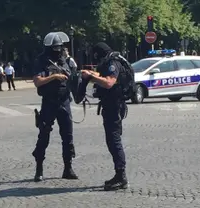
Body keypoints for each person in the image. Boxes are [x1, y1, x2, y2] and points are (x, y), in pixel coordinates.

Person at [81, 42, 130, 191]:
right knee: (112, 140)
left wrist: (92, 78)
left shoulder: (113, 62)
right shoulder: (111, 60)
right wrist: (90, 74)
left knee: (114, 140)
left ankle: (121, 176)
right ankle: (119, 175)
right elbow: (104, 76)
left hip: (114, 106)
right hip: (111, 105)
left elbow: (109, 82)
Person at [32, 32, 78, 182]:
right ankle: (39, 168)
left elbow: (73, 78)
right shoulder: (42, 61)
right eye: (56, 48)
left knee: (68, 135)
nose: (58, 51)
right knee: (44, 135)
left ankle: (68, 167)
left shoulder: (66, 61)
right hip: (49, 102)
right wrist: (54, 77)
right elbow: (38, 81)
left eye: (60, 47)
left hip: (64, 101)